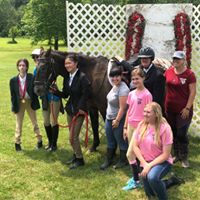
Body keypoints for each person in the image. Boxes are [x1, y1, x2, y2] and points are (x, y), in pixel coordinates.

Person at [52, 53, 91, 169]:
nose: (67, 65)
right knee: (72, 136)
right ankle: (75, 156)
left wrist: (81, 108)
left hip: (79, 111)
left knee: (72, 137)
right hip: (70, 110)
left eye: (69, 63)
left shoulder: (83, 77)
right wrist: (55, 91)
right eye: (65, 63)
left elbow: (86, 94)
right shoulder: (67, 77)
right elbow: (65, 94)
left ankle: (80, 160)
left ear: (76, 64)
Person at [133, 102, 173, 200]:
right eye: (144, 111)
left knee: (152, 178)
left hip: (162, 161)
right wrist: (144, 163)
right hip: (146, 162)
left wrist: (149, 166)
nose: (145, 114)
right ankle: (170, 181)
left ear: (156, 114)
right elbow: (135, 146)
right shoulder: (141, 125)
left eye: (148, 112)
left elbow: (166, 154)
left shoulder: (165, 128)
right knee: (150, 192)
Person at [164, 51, 196, 168]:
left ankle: (184, 157)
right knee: (173, 132)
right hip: (169, 109)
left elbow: (193, 92)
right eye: (174, 58)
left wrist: (187, 108)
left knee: (182, 133)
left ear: (183, 61)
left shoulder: (189, 74)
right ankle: (176, 155)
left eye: (178, 59)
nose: (175, 60)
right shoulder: (168, 72)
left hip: (183, 110)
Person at [122, 68, 152, 191]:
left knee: (130, 154)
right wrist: (125, 126)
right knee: (134, 154)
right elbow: (128, 111)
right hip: (130, 126)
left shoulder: (147, 95)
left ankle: (136, 180)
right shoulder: (131, 93)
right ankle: (139, 175)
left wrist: (145, 128)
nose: (135, 81)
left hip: (140, 127)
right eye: (133, 79)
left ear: (143, 78)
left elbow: (149, 113)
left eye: (137, 79)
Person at [9, 58, 43, 151]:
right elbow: (12, 95)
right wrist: (14, 106)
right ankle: (17, 143)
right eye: (20, 65)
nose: (21, 67)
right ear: (17, 67)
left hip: (29, 101)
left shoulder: (31, 77)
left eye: (23, 65)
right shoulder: (13, 80)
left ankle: (39, 140)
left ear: (27, 67)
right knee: (18, 123)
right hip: (19, 102)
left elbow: (37, 89)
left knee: (34, 122)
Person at [100, 66, 129, 170]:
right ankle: (109, 158)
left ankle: (123, 160)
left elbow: (123, 107)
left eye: (117, 76)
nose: (114, 79)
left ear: (121, 76)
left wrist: (117, 120)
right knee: (110, 139)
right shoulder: (115, 86)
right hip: (109, 118)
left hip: (118, 119)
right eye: (112, 76)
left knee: (120, 140)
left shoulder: (123, 89)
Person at [32, 48, 61, 152]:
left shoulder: (50, 66)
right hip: (44, 98)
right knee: (46, 121)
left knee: (54, 121)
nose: (36, 59)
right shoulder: (35, 70)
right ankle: (49, 142)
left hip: (54, 97)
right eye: (34, 58)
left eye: (38, 57)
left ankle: (54, 144)